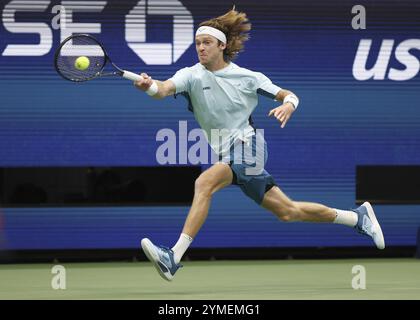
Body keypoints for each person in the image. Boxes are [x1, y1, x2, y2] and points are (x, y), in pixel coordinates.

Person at [134, 8, 385, 281]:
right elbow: (162, 89)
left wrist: (288, 105)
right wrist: (148, 86)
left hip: (249, 147)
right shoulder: (191, 75)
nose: (201, 48)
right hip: (229, 154)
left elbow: (287, 94)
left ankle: (173, 256)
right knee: (288, 212)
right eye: (197, 43)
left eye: (207, 42)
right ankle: (357, 218)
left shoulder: (248, 77)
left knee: (203, 183)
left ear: (223, 45)